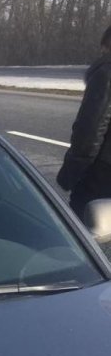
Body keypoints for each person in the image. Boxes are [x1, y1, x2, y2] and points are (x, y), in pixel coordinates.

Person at [57, 26, 111, 219]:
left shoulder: (106, 73)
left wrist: (71, 174)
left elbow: (90, 131)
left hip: (101, 175)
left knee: (82, 227)